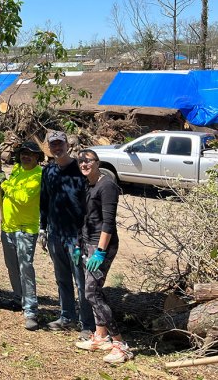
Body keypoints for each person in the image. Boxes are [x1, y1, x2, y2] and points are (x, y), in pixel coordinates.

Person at [74, 149, 133, 364]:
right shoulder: (87, 184)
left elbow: (108, 222)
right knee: (92, 289)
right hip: (87, 243)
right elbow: (85, 217)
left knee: (92, 292)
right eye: (80, 161)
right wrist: (79, 245)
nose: (83, 164)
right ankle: (100, 336)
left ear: (98, 162)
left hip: (102, 245)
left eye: (87, 160)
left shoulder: (107, 185)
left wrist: (100, 251)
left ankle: (120, 344)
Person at [39, 130, 95, 336]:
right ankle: (66, 316)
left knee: (81, 281)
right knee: (62, 278)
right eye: (53, 144)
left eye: (60, 143)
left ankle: (87, 324)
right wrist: (42, 228)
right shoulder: (48, 171)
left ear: (67, 145)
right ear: (49, 147)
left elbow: (88, 205)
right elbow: (44, 201)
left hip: (76, 236)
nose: (57, 147)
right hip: (55, 234)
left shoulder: (79, 170)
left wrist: (87, 235)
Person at [0, 141, 44, 331]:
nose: (26, 157)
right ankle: (18, 298)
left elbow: (24, 198)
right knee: (12, 266)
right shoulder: (17, 169)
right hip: (8, 226)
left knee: (26, 268)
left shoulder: (38, 175)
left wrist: (5, 184)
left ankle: (31, 310)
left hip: (25, 229)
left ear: (37, 158)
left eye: (30, 154)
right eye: (23, 153)